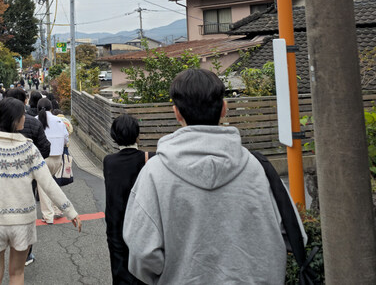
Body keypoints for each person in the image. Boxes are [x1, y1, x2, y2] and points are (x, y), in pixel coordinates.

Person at [123, 69, 304, 284]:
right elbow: (295, 236)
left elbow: (142, 253)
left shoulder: (155, 172)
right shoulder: (257, 168)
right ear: (224, 109)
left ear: (177, 113)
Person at [0, 97, 82, 285]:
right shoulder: (29, 148)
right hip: (22, 221)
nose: (25, 117)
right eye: (22, 115)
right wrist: (70, 211)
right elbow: (48, 184)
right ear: (16, 119)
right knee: (17, 275)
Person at [103, 115, 151, 285]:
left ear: (114, 136)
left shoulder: (109, 161)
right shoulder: (149, 159)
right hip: (142, 224)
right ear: (137, 134)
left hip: (116, 225)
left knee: (120, 273)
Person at [5, 87, 50, 265]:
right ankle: (25, 251)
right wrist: (34, 163)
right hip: (27, 176)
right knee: (25, 208)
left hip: (2, 175)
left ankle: (6, 242)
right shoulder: (33, 122)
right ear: (24, 101)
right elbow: (45, 147)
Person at [35, 98, 69, 224]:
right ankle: (56, 209)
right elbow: (66, 139)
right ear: (51, 108)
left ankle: (48, 215)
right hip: (57, 158)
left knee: (43, 187)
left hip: (42, 158)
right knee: (52, 184)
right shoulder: (59, 120)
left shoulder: (35, 120)